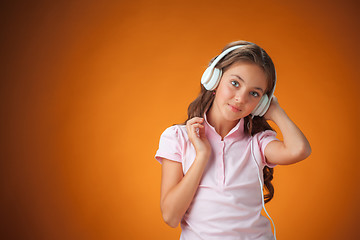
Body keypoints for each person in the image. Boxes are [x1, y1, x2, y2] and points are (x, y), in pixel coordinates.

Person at [155, 40, 311, 240]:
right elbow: (170, 216)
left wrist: (276, 111)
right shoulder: (178, 137)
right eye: (235, 83)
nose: (241, 98)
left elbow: (299, 150)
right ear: (214, 80)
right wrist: (202, 155)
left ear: (261, 103)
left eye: (254, 93)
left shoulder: (258, 143)